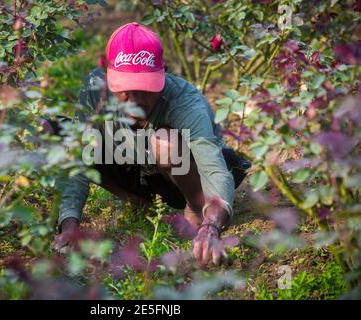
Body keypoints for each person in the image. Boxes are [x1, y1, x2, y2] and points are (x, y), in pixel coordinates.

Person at [53, 22, 251, 267]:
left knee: (165, 142)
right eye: (125, 89)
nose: (135, 100)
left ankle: (195, 210)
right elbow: (79, 162)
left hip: (181, 179)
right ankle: (137, 201)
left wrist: (211, 226)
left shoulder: (185, 102)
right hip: (134, 167)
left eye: (145, 88)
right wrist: (69, 223)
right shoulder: (95, 90)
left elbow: (213, 170)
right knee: (61, 133)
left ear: (163, 75)